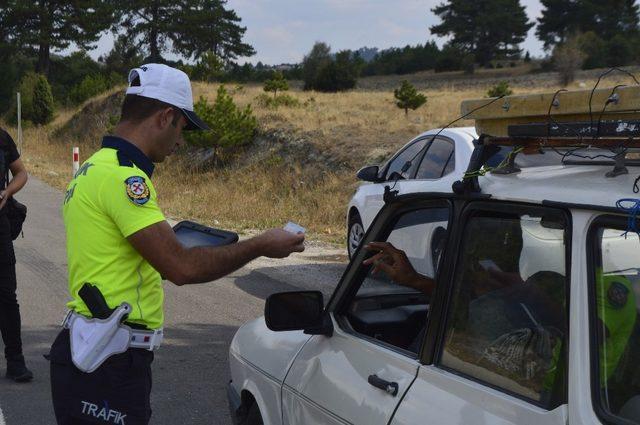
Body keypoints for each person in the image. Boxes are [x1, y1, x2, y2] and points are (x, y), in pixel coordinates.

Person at [48, 64, 305, 424]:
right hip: (110, 363)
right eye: (182, 127)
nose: (181, 141)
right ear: (165, 116)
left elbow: (127, 258)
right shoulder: (126, 179)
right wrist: (259, 245)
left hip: (92, 352)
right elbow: (180, 268)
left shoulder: (94, 166)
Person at [0, 127, 31, 382]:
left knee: (6, 297)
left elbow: (21, 172)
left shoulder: (1, 137)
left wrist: (8, 191)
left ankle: (16, 361)